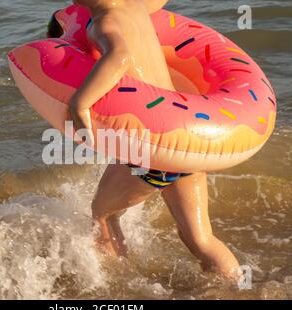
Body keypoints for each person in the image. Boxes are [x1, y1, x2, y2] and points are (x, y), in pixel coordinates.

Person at [66, 0, 240, 279]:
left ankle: (118, 288)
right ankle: (240, 290)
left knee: (104, 215)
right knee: (200, 238)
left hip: (153, 145)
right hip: (185, 137)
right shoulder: (136, 6)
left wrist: (80, 104)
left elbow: (119, 57)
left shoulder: (105, 23)